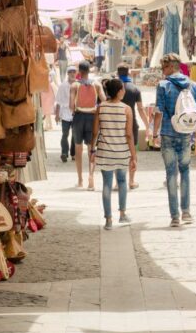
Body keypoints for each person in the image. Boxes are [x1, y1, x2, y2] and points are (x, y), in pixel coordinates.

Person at [149, 53, 196, 227]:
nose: (162, 71)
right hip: (186, 135)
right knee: (185, 172)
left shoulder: (163, 85)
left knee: (171, 174)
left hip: (168, 134)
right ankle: (186, 212)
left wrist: (154, 134)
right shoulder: (193, 85)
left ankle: (175, 216)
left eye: (163, 67)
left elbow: (158, 112)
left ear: (170, 67)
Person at [91, 78, 137, 230]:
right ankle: (122, 214)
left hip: (105, 152)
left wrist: (92, 150)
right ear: (118, 91)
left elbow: (95, 132)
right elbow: (129, 135)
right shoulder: (126, 109)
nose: (124, 91)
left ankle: (108, 220)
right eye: (122, 89)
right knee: (122, 181)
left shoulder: (101, 107)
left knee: (106, 184)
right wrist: (133, 155)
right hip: (122, 151)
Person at [70, 60, 105, 190]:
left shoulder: (74, 85)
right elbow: (104, 101)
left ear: (80, 71)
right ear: (89, 71)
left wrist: (75, 112)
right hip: (92, 117)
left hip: (79, 117)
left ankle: (80, 180)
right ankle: (91, 177)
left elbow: (71, 106)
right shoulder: (97, 85)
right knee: (92, 148)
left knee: (78, 149)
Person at [116, 63, 148, 189]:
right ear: (128, 72)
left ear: (118, 73)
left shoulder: (114, 88)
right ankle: (131, 181)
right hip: (131, 124)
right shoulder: (135, 89)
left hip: (116, 124)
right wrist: (147, 125)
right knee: (132, 152)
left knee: (117, 152)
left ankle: (118, 182)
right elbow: (140, 109)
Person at [55, 65, 77, 163]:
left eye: (74, 72)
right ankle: (64, 152)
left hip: (76, 113)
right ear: (68, 73)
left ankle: (73, 153)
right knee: (65, 134)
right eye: (70, 72)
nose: (72, 74)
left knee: (75, 135)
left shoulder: (78, 85)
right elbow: (58, 101)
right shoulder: (62, 86)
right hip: (64, 114)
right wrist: (56, 114)